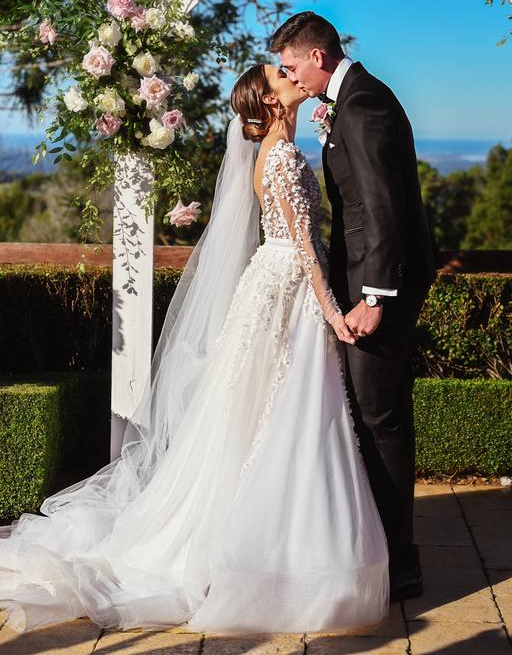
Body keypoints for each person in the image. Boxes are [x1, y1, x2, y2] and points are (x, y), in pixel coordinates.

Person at [0, 63, 389, 634]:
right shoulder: (280, 158)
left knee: (262, 411)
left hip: (273, 286)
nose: (290, 77)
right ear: (272, 102)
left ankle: (268, 533)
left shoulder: (273, 153)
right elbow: (305, 248)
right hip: (287, 288)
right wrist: (333, 313)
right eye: (279, 76)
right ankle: (268, 547)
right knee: (283, 410)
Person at [270, 12, 437, 602]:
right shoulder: (350, 102)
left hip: (379, 289)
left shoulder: (363, 104)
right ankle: (378, 547)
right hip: (366, 280)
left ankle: (400, 562)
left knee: (379, 419)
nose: (291, 77)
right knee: (370, 417)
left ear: (316, 56)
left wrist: (374, 297)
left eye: (291, 66)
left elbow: (383, 208)